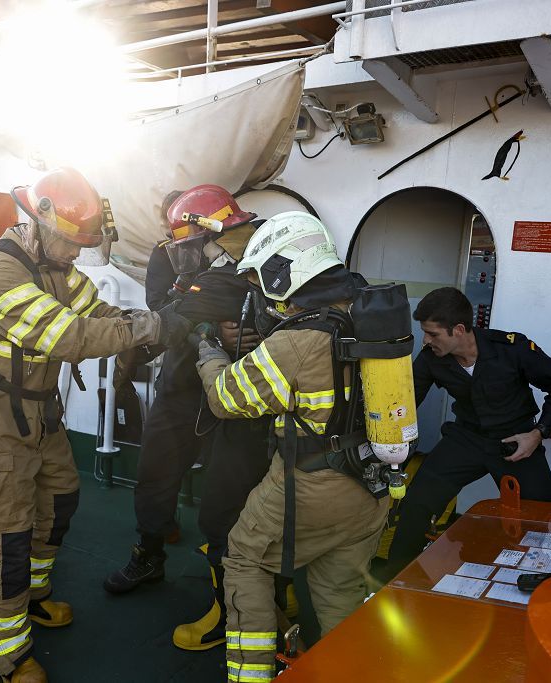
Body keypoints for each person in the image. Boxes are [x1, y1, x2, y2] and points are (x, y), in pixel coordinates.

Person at [0, 167, 190, 683]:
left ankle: (34, 598)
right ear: (37, 222)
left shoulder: (58, 268)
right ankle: (8, 653)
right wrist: (149, 327)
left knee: (59, 497)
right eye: (69, 242)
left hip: (40, 411)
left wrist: (157, 324)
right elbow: (69, 337)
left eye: (83, 244)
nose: (76, 253)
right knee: (6, 535)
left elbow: (98, 312)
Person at [195, 212, 391, 682]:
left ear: (284, 275)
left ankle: (251, 675)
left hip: (310, 487)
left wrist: (210, 354)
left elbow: (225, 398)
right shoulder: (371, 318)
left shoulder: (297, 340)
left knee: (242, 558)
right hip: (370, 486)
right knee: (338, 591)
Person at [104, 184, 277, 652]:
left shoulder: (259, 252)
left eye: (186, 239)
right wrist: (210, 328)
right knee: (155, 472)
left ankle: (240, 591)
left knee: (229, 497)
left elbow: (277, 317)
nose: (181, 248)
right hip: (184, 385)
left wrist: (247, 330)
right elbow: (169, 313)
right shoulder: (177, 259)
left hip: (238, 395)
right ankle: (150, 554)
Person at [384, 286, 551, 578]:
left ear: (459, 329)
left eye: (433, 333)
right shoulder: (432, 358)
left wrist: (537, 434)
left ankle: (542, 581)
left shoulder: (512, 349)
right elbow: (407, 401)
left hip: (516, 441)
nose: (426, 340)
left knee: (540, 516)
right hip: (466, 438)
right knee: (416, 504)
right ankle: (393, 579)